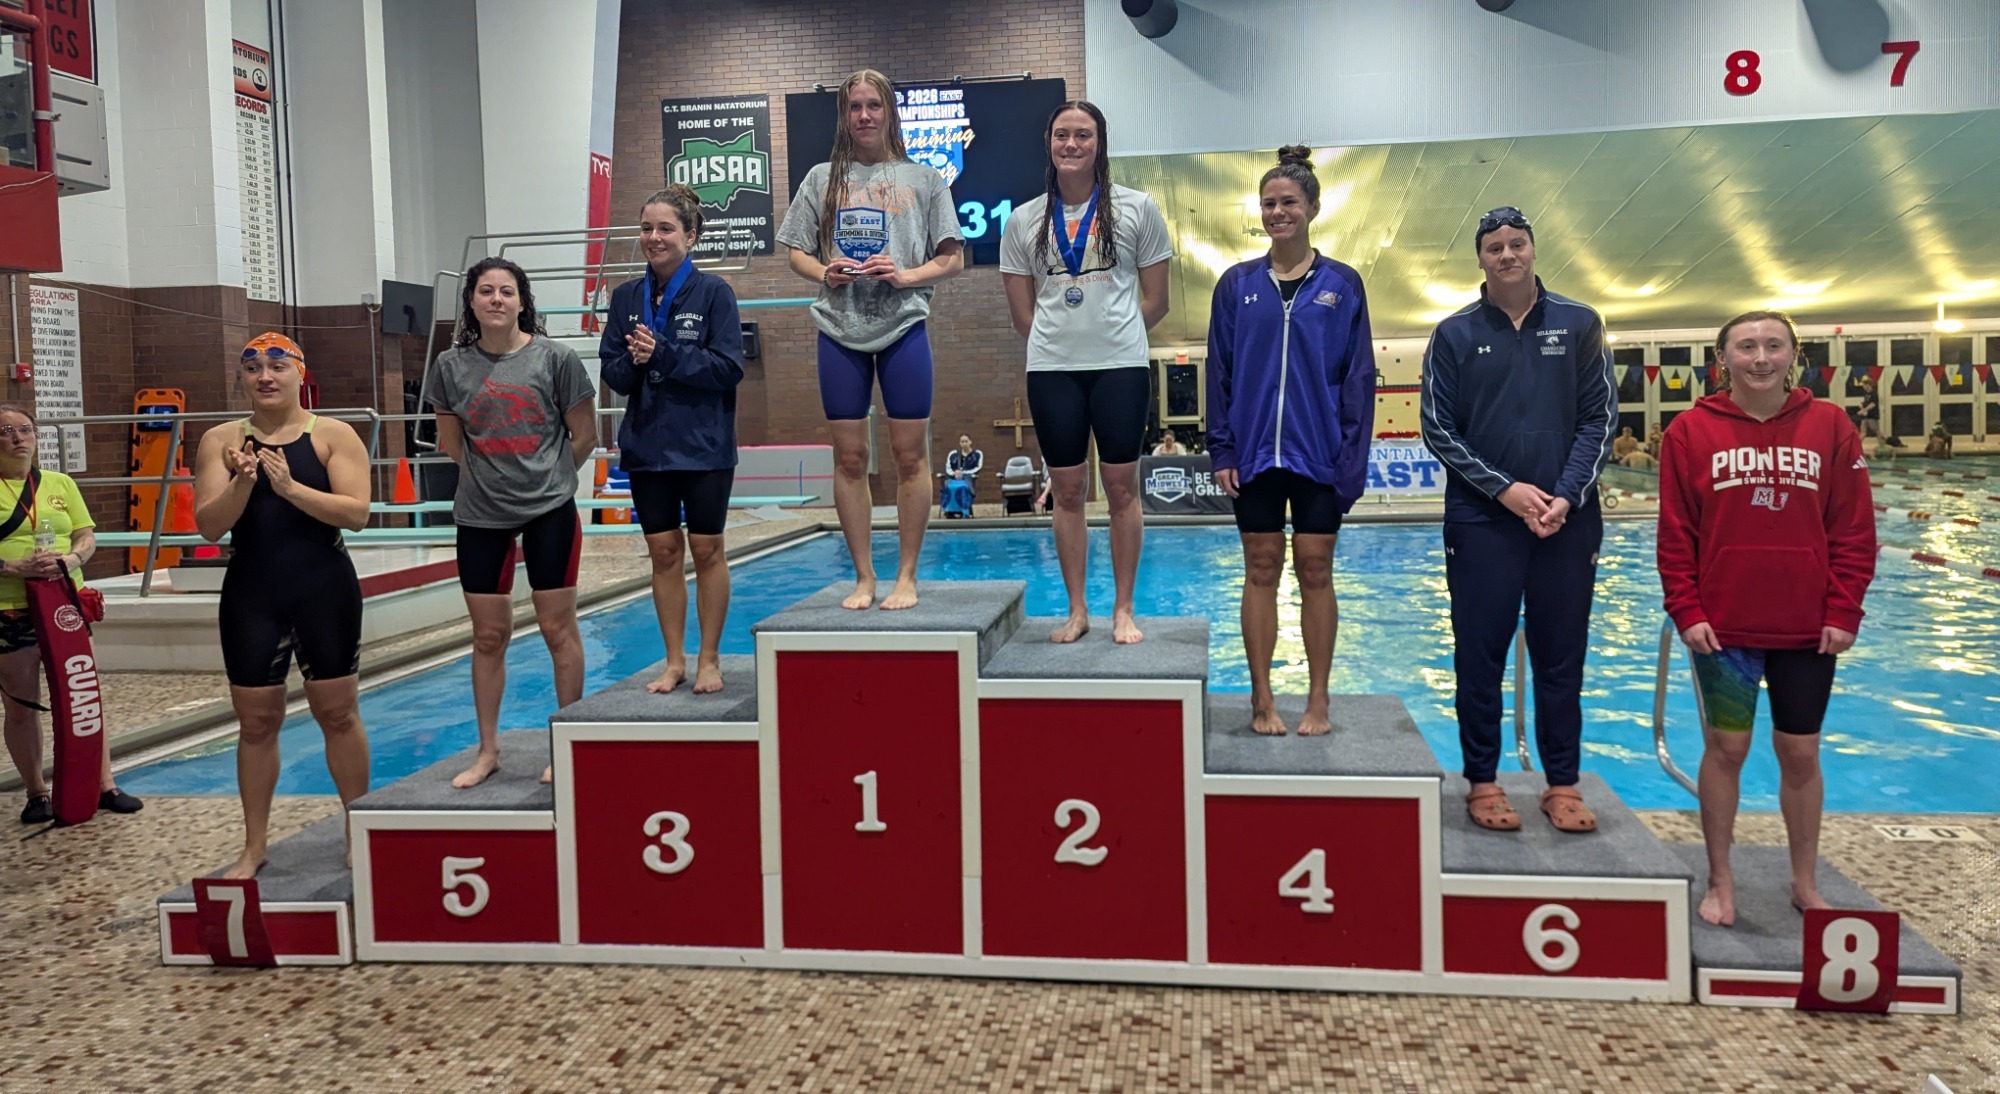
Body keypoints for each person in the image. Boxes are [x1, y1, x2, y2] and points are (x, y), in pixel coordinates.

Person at [1657, 310, 1875, 926]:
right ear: (1722, 358)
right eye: (1746, 346)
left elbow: (1854, 529)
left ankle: (1804, 882)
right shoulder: (1690, 432)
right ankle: (1720, 880)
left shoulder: (1830, 426)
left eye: (1772, 345)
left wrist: (1844, 608)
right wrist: (1686, 608)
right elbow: (1676, 535)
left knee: (1801, 755)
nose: (1760, 357)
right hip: (1721, 628)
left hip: (1808, 627)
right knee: (1726, 749)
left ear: (1793, 355)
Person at [1420, 205, 1616, 833]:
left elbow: (1599, 419)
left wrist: (1565, 495)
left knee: (1562, 660)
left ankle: (1562, 784)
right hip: (1483, 523)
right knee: (1480, 658)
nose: (1507, 255)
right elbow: (1437, 429)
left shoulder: (1580, 323)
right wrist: (1504, 491)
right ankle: (1482, 781)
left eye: (1517, 244)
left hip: (1567, 520)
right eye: (1494, 247)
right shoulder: (1453, 333)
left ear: (1534, 250)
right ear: (1480, 258)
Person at [777, 69, 965, 611]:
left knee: (910, 455)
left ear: (889, 113)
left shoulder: (925, 179)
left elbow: (952, 259)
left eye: (873, 106)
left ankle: (906, 576)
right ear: (844, 115)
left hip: (903, 325)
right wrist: (824, 273)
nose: (863, 115)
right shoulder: (820, 180)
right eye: (854, 106)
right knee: (850, 456)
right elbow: (794, 251)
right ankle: (864, 576)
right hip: (840, 328)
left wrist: (905, 276)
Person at [1206, 146, 1375, 735]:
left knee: (1315, 569)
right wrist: (1221, 448)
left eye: (1289, 203)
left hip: (1318, 453)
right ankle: (1261, 699)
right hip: (1253, 452)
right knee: (1260, 566)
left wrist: (1351, 466)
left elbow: (1358, 378)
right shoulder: (1236, 286)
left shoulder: (1342, 285)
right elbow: (1219, 370)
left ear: (1312, 208)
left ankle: (1319, 700)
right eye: (1269, 204)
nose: (1278, 213)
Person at [192, 334, 370, 876]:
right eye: (252, 368)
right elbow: (207, 524)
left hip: (323, 587)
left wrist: (290, 488)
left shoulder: (334, 436)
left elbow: (356, 513)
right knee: (255, 722)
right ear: (242, 379)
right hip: (253, 592)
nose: (264, 376)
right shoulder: (220, 441)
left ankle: (355, 827)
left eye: (276, 365)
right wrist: (244, 482)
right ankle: (254, 845)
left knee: (337, 712)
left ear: (299, 373)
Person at [1000, 99, 1172, 644]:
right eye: (1061, 135)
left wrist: (1113, 335)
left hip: (1120, 367)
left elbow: (1157, 300)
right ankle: (1077, 610)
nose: (1071, 144)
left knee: (1122, 489)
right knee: (1067, 490)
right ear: (1048, 143)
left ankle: (1123, 609)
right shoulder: (1023, 220)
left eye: (1083, 135)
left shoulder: (1137, 208)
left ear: (1100, 143)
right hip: (1053, 371)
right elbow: (1022, 313)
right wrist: (1063, 344)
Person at [431, 258, 597, 787]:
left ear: (522, 301)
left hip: (549, 509)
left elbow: (584, 435)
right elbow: (451, 442)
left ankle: (567, 743)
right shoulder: (450, 367)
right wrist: (494, 482)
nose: (497, 300)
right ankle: (487, 751)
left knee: (556, 628)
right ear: (472, 303)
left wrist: (547, 481)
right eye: (486, 291)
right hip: (481, 515)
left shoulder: (557, 359)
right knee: (488, 636)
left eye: (507, 291)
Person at [599, 186, 744, 696]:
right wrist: (637, 361)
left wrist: (663, 354)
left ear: (691, 236)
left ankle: (709, 658)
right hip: (646, 445)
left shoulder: (714, 294)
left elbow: (728, 369)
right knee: (663, 552)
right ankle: (673, 660)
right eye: (646, 228)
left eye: (665, 228)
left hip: (703, 444)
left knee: (706, 550)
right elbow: (614, 373)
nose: (653, 238)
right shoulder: (624, 298)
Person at [0, 405, 141, 824]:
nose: (18, 438)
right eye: (6, 431)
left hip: (63, 602)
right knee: (21, 705)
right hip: (10, 608)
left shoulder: (60, 483)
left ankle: (103, 785)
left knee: (83, 698)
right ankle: (36, 791)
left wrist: (73, 559)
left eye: (25, 429)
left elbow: (86, 534)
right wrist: (12, 568)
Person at [942, 434, 982, 518]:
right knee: (949, 487)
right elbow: (948, 467)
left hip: (967, 478)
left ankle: (965, 511)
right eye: (962, 442)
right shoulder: (953, 454)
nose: (964, 443)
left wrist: (963, 473)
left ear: (970, 442)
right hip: (953, 477)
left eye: (966, 441)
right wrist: (954, 473)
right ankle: (949, 512)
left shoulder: (977, 454)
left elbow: (978, 467)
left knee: (963, 488)